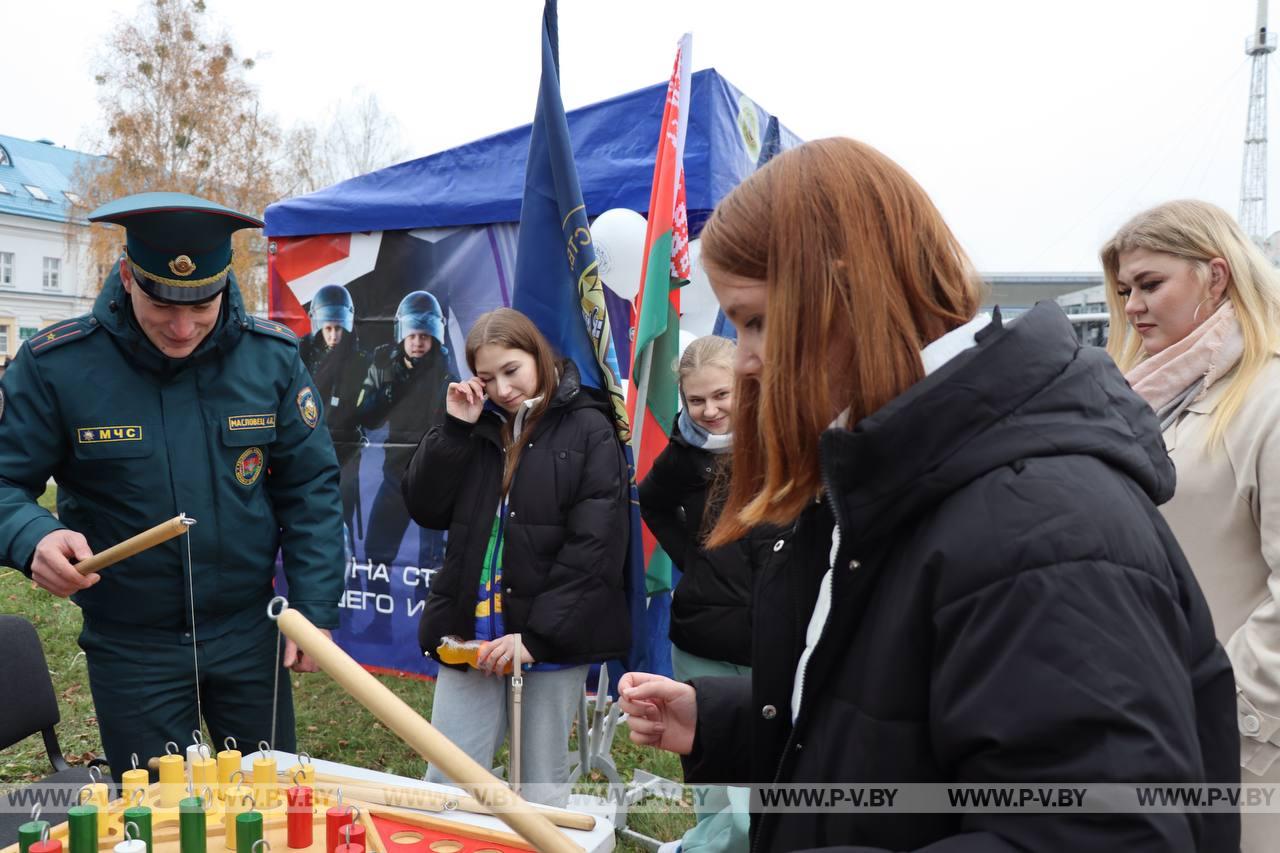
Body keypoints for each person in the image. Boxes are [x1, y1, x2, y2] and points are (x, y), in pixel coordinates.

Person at [618, 139, 1239, 851]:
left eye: (756, 319)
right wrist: (735, 718)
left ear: (846, 290)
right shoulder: (905, 471)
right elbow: (904, 717)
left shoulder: (1043, 526)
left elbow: (1102, 833)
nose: (749, 357)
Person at [0, 192, 345, 777]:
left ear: (224, 284)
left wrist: (311, 607)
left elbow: (309, 488)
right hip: (133, 648)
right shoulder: (57, 365)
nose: (183, 328)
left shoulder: (271, 359)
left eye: (202, 305)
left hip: (248, 634)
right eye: (163, 305)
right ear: (128, 277)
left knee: (270, 808)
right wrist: (32, 536)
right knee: (160, 817)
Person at [1102, 199, 1280, 852]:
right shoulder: (1153, 398)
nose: (1132, 307)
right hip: (1158, 736)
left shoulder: (1269, 399)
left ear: (1216, 275)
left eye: (1150, 284)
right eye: (1125, 290)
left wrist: (1215, 708)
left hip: (1244, 758)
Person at [402, 307, 631, 808]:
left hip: (545, 641)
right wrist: (454, 430)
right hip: (469, 633)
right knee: (448, 775)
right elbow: (425, 506)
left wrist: (540, 637)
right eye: (488, 377)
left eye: (512, 370)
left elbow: (594, 547)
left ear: (538, 355)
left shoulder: (589, 427)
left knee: (540, 785)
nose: (503, 389)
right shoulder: (476, 426)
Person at [637, 334, 764, 853]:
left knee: (759, 803)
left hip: (769, 647)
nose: (709, 411)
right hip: (700, 645)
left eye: (722, 395)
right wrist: (694, 561)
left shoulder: (781, 444)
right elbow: (651, 502)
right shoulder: (683, 455)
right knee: (718, 800)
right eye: (697, 400)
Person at [359, 290, 454, 572]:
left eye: (424, 336)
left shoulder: (446, 373)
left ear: (435, 337)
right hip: (395, 475)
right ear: (402, 335)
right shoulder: (387, 368)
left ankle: (429, 611)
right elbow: (367, 418)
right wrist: (386, 392)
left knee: (432, 562)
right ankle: (380, 616)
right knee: (376, 550)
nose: (417, 342)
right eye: (412, 335)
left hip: (433, 477)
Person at [299, 284, 371, 558]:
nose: (333, 335)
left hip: (348, 447)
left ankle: (347, 570)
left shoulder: (360, 358)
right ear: (319, 325)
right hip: (309, 447)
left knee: (343, 510)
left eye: (338, 329)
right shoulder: (301, 354)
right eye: (328, 328)